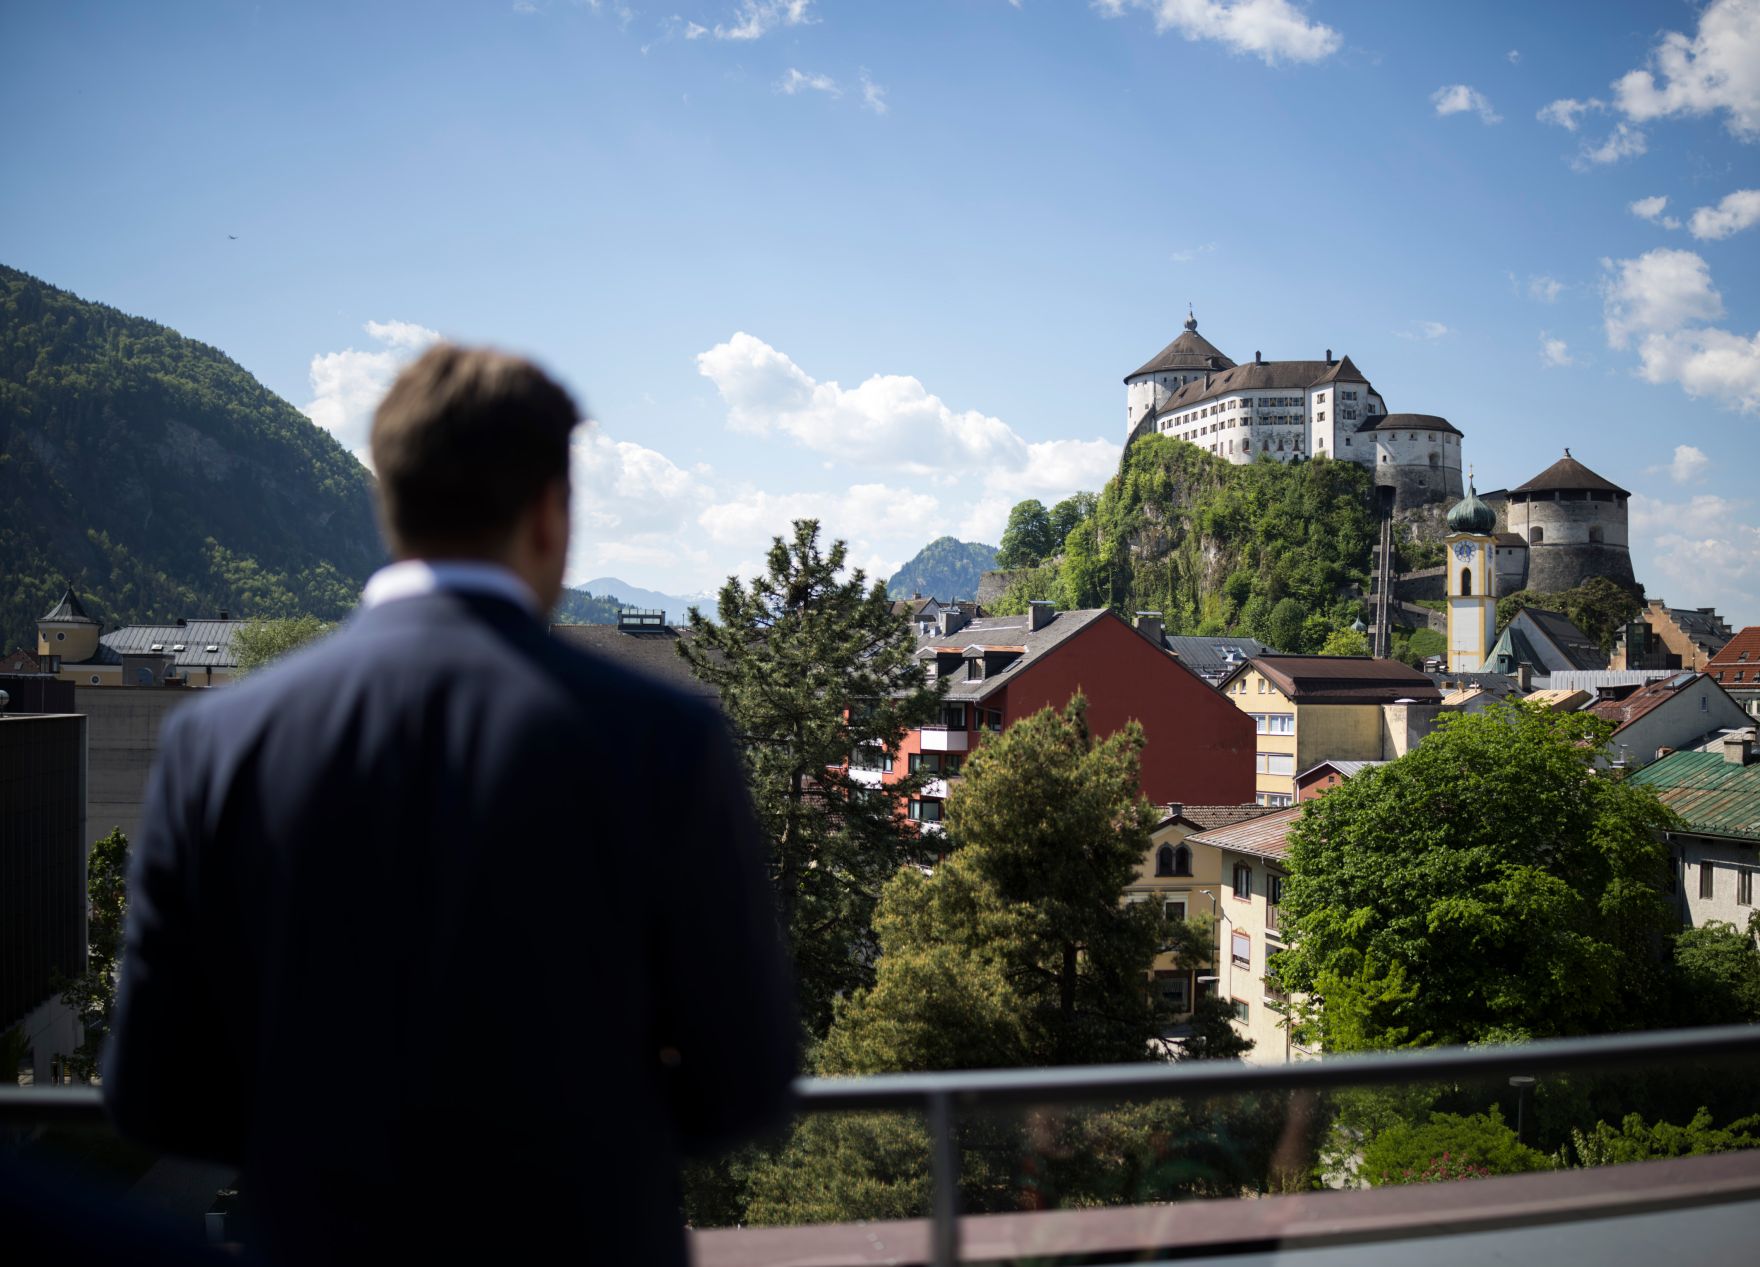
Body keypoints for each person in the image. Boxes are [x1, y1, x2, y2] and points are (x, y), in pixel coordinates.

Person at [103, 345, 796, 1264]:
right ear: (551, 514)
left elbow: (157, 1091)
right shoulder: (663, 738)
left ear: (390, 503)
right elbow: (744, 1083)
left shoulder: (219, 740)